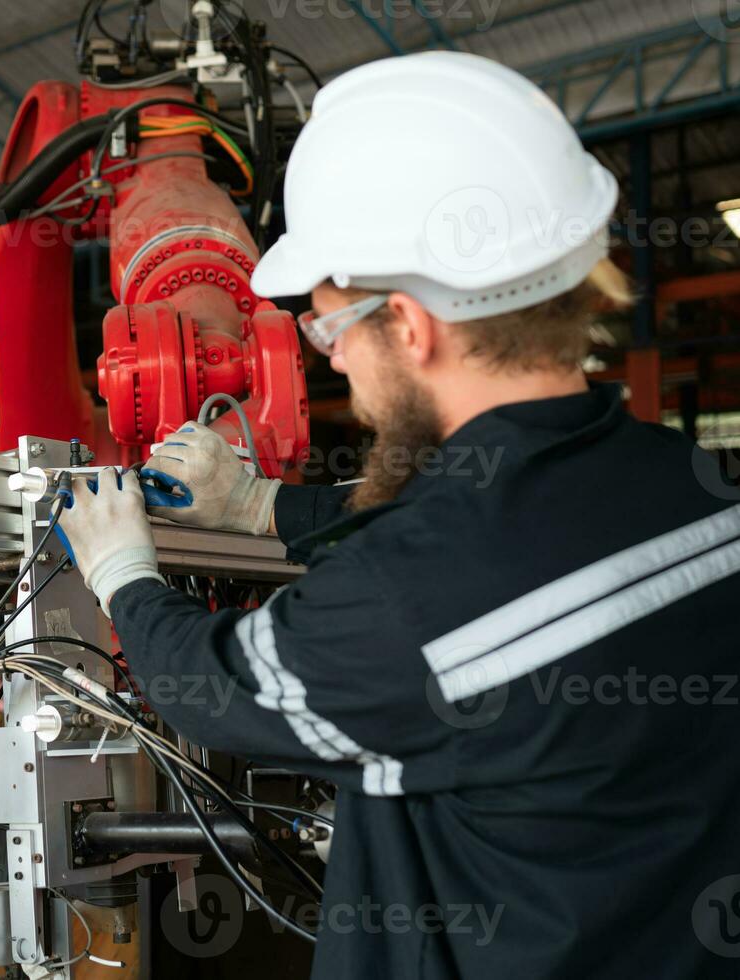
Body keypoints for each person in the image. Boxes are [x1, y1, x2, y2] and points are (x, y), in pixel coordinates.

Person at [58, 52, 740, 978]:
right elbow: (488, 538)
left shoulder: (410, 597)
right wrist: (262, 504)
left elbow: (211, 687)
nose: (333, 359)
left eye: (330, 328)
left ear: (412, 326)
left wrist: (125, 576)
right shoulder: (694, 486)